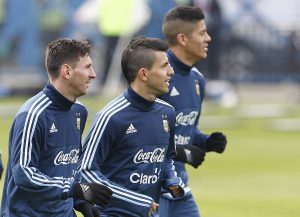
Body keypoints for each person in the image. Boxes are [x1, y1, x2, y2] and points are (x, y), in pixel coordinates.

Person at [0, 38, 113, 217]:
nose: (93, 74)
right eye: (87, 67)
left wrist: (81, 202)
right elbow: (24, 173)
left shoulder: (79, 112)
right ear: (67, 71)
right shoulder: (33, 115)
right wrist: (74, 189)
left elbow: (70, 166)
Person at [79, 36, 185, 216]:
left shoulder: (167, 113)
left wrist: (172, 180)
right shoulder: (111, 117)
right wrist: (135, 201)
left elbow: (166, 158)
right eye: (164, 66)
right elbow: (86, 172)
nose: (171, 72)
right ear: (143, 74)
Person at [159, 6, 227, 217]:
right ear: (182, 38)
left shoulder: (198, 79)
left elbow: (187, 130)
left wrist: (205, 142)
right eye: (202, 33)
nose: (208, 38)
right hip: (149, 191)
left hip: (179, 189)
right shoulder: (157, 76)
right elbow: (139, 136)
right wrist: (180, 152)